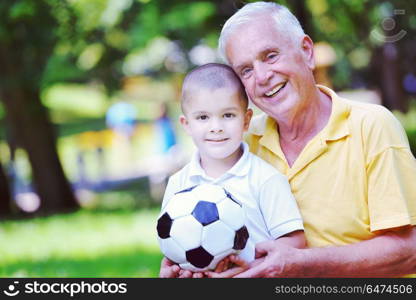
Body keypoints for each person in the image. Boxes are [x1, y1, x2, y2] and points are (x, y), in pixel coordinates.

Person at [213, 1, 416, 277]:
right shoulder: (242, 143)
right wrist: (189, 262)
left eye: (270, 56)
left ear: (306, 52)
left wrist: (302, 262)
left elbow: (409, 251)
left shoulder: (371, 126)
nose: (262, 76)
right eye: (246, 70)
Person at [159, 63, 305, 278]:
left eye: (227, 115)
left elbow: (295, 240)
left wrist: (258, 267)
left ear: (246, 120)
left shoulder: (266, 179)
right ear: (186, 124)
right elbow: (171, 245)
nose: (216, 127)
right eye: (202, 117)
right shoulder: (178, 183)